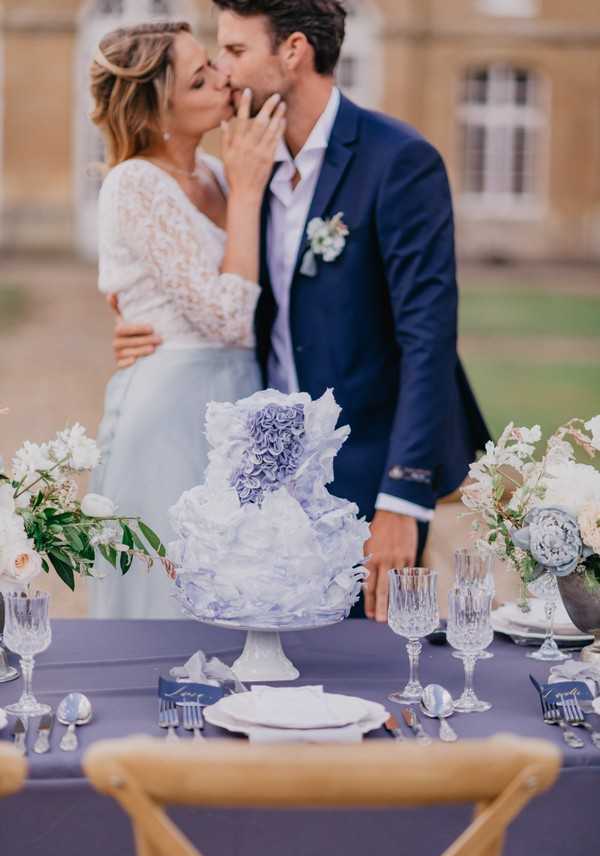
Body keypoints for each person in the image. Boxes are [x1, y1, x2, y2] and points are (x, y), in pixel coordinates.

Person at [110, 1, 490, 622]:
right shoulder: (245, 174)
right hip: (265, 489)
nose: (224, 73)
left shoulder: (397, 159)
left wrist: (404, 496)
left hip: (370, 475)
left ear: (292, 53)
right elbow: (212, 286)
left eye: (235, 52)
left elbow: (429, 336)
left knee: (372, 681)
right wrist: (144, 330)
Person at [88, 21, 285, 617]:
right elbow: (227, 315)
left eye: (215, 63)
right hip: (169, 419)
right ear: (155, 113)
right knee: (170, 596)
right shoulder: (135, 184)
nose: (225, 78)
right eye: (201, 78)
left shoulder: (219, 175)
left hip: (242, 400)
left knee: (241, 588)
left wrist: (240, 184)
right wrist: (249, 193)